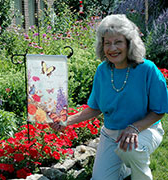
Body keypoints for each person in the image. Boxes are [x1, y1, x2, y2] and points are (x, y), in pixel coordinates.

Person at [50, 14, 168, 180]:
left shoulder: (147, 70)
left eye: (118, 42)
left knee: (132, 150)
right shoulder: (102, 71)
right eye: (107, 43)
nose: (112, 48)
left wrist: (134, 128)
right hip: (111, 134)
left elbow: (159, 111)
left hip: (145, 130)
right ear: (102, 46)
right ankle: (125, 168)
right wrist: (66, 121)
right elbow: (95, 107)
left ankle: (139, 173)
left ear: (129, 43)